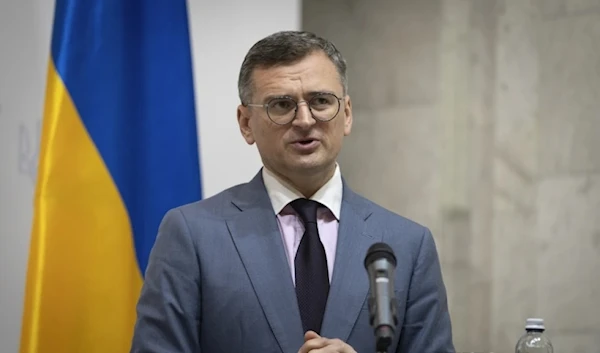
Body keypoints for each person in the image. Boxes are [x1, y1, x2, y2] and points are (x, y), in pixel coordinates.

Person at [130, 30, 454, 353]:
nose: (304, 120)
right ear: (245, 123)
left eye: (321, 102)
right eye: (281, 105)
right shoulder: (192, 235)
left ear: (347, 114)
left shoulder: (407, 244)